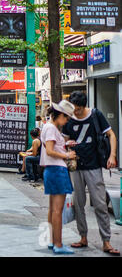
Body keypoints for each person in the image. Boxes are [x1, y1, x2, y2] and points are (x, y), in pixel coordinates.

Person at [62, 91, 120, 256]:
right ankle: (83, 237)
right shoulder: (69, 118)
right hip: (76, 166)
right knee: (78, 204)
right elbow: (64, 140)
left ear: (84, 105)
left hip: (94, 166)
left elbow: (111, 135)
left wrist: (112, 155)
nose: (76, 113)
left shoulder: (95, 114)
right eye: (74, 109)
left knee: (100, 204)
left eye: (79, 109)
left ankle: (106, 241)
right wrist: (68, 145)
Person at [40, 100, 76, 254]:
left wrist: (65, 147)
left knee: (52, 209)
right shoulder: (51, 129)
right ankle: (58, 244)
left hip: (52, 170)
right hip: (57, 170)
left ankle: (51, 241)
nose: (67, 121)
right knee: (57, 210)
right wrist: (66, 154)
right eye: (66, 117)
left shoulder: (49, 127)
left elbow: (51, 148)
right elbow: (49, 151)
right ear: (60, 115)